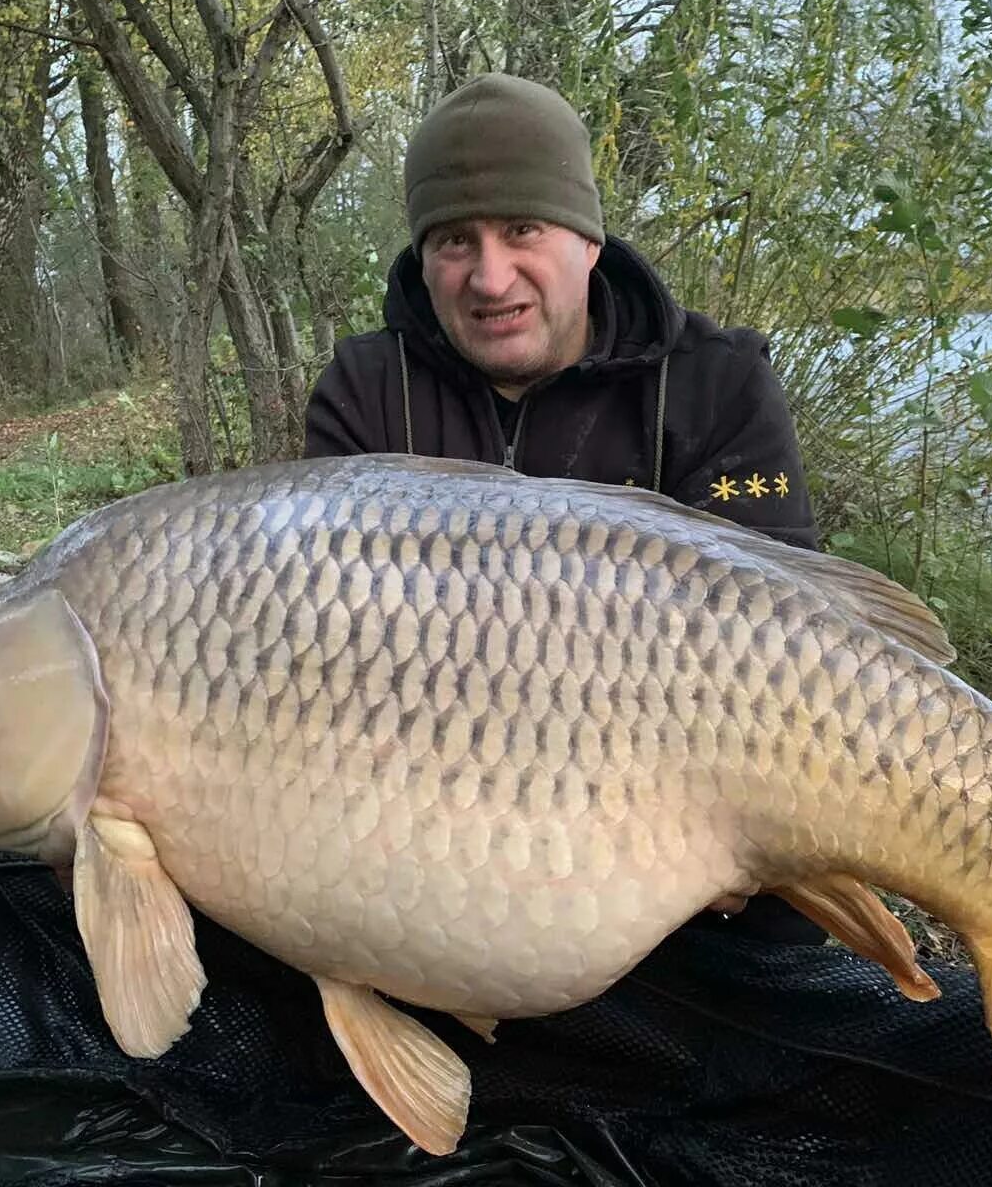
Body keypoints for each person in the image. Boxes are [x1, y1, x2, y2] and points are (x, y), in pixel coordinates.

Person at [303, 71, 824, 942]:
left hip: (693, 816)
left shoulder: (715, 383)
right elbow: (334, 669)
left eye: (521, 230)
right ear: (422, 260)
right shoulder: (366, 391)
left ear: (587, 239)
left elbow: (794, 649)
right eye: (454, 241)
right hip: (444, 827)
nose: (489, 275)